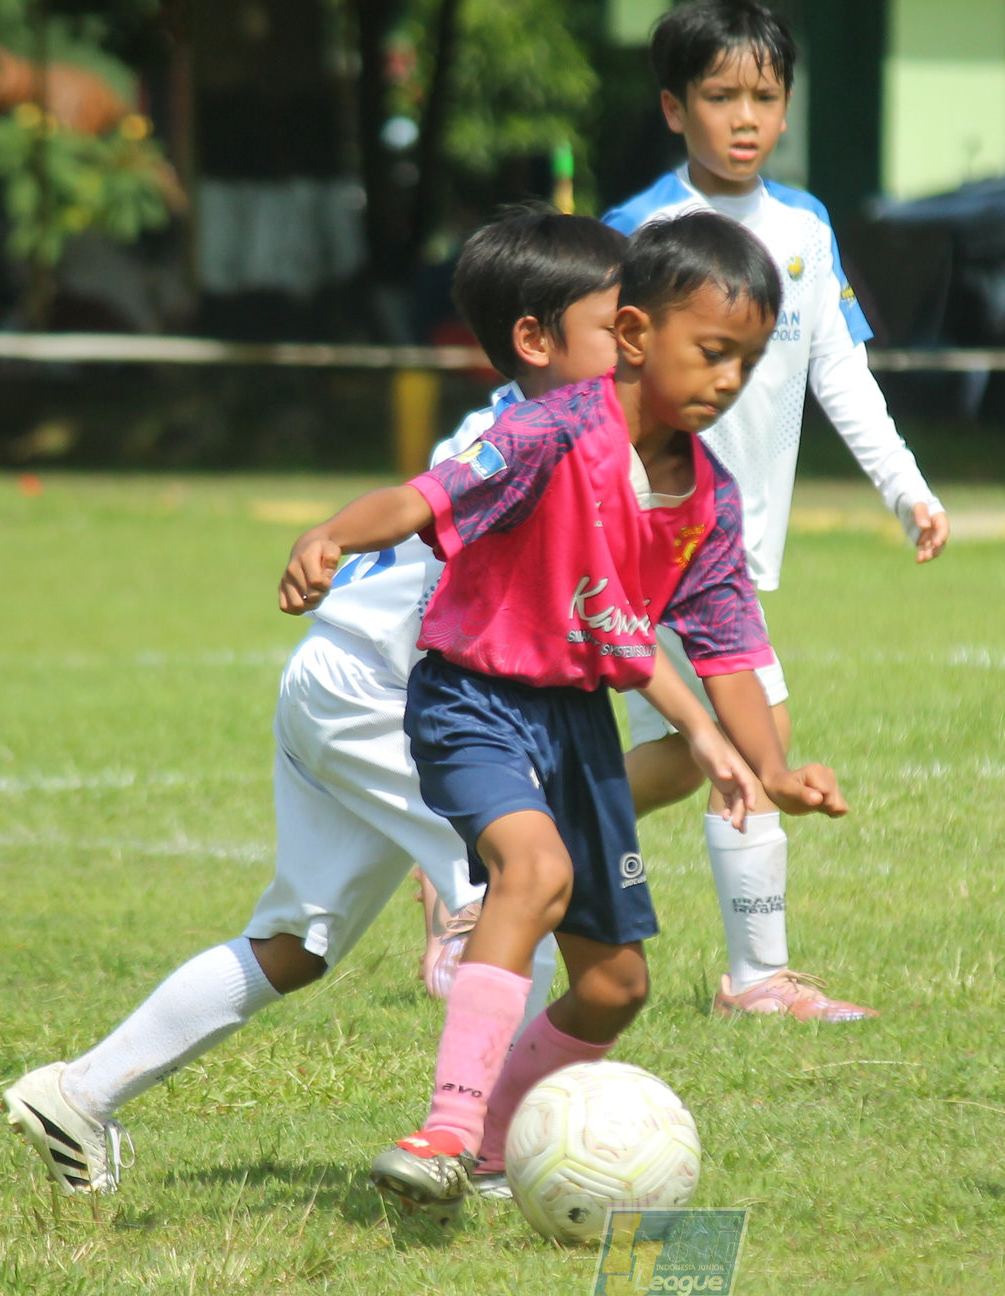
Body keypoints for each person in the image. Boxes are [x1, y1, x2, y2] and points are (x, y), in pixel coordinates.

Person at [1, 207, 624, 1194]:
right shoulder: (531, 436)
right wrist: (329, 533)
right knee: (525, 886)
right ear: (536, 340)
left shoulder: (536, 421)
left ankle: (77, 1093)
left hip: (340, 677)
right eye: (615, 326)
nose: (633, 346)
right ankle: (493, 1153)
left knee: (296, 943)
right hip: (389, 684)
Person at [278, 212, 849, 1214]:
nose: (727, 379)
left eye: (747, 362)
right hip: (473, 698)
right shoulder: (552, 429)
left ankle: (493, 1146)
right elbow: (422, 498)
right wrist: (329, 534)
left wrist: (776, 771)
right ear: (634, 336)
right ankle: (447, 1127)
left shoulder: (707, 502)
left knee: (614, 984)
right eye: (710, 350)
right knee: (531, 871)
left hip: (578, 725)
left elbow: (727, 655)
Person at [599, 0, 946, 1021]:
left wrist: (905, 486)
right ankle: (755, 976)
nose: (743, 117)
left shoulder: (803, 229)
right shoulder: (638, 234)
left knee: (709, 745)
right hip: (644, 531)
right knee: (758, 737)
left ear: (787, 106)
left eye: (763, 95)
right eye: (718, 96)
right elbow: (589, 394)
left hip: (729, 551)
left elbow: (841, 374)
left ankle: (501, 839)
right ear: (673, 106)